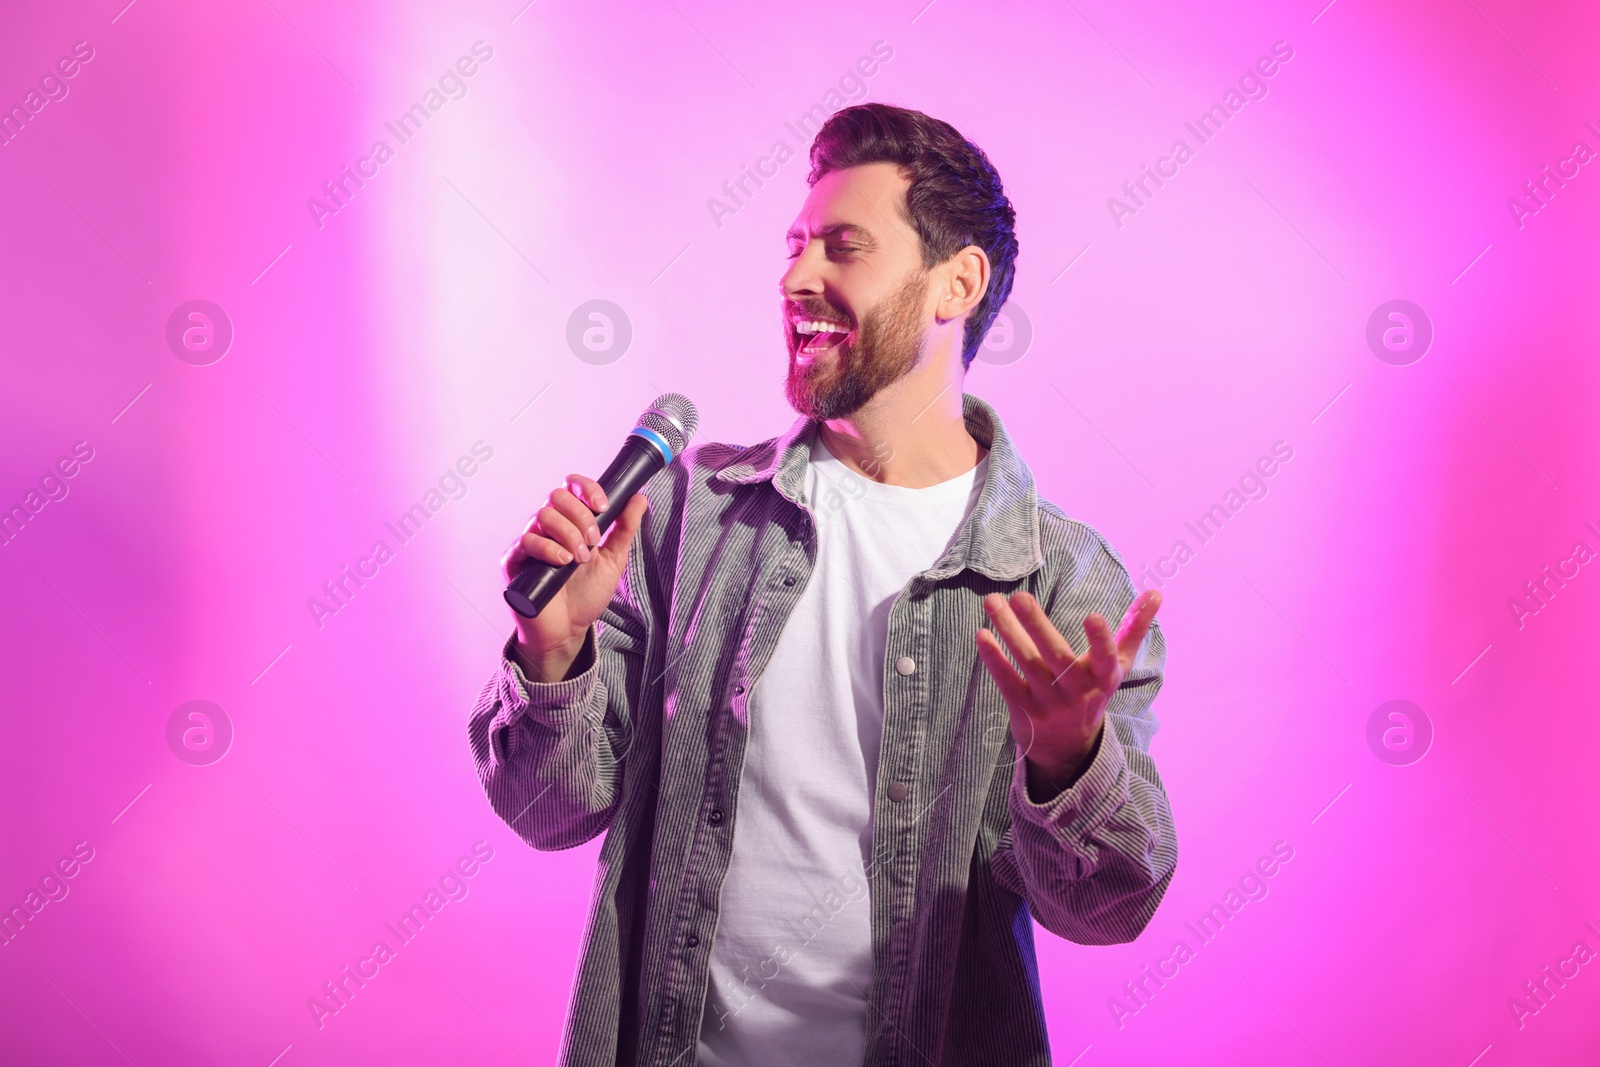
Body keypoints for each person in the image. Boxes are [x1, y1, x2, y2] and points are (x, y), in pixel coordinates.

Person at [468, 102, 1176, 1067]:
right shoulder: (685, 519)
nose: (797, 276)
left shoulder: (1062, 583)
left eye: (843, 247)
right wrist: (553, 655)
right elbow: (549, 810)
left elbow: (1110, 907)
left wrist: (1066, 762)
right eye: (795, 246)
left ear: (954, 284)